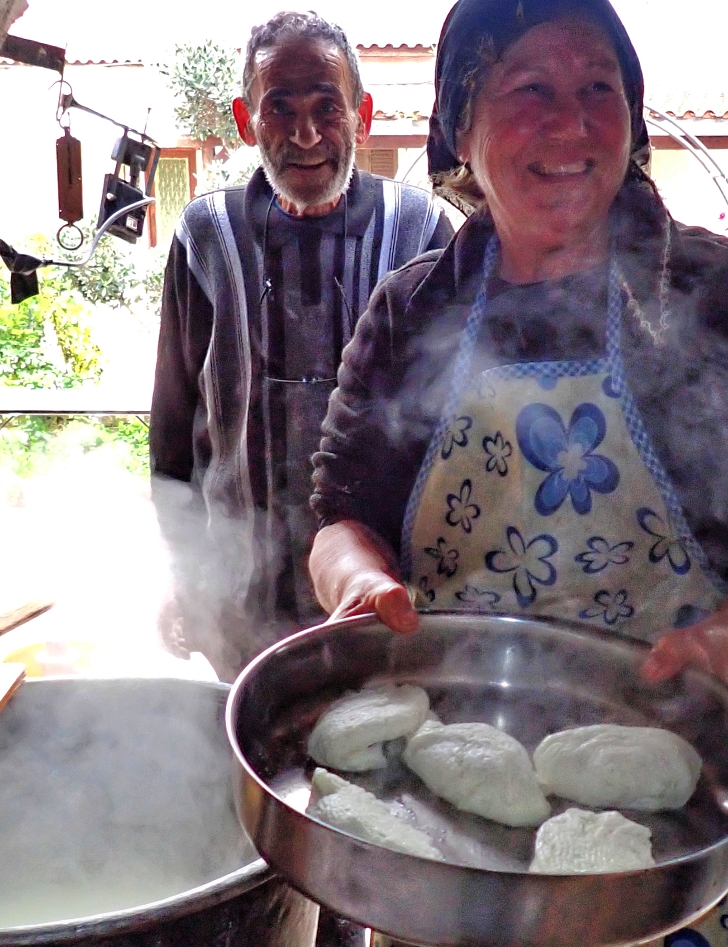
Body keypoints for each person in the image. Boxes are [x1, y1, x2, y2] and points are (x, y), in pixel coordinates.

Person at [309, 0, 728, 942]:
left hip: (692, 768)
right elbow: (341, 511)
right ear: (461, 121)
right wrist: (361, 585)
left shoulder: (724, 295)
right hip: (464, 765)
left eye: (598, 90)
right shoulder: (412, 312)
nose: (571, 123)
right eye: (531, 88)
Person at [150, 10, 455, 679]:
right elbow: (174, 434)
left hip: (389, 602)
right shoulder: (207, 237)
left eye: (327, 106)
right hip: (243, 607)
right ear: (244, 118)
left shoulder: (422, 232)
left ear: (362, 114)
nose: (306, 133)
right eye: (279, 108)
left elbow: (460, 423)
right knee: (257, 769)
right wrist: (189, 575)